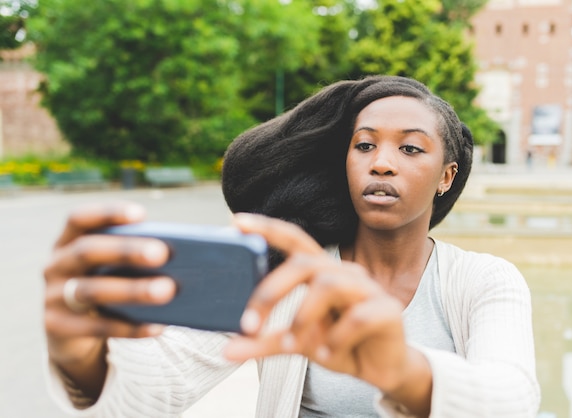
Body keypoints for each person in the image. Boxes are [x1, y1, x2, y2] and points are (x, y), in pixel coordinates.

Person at [43, 75, 540, 417]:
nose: (381, 162)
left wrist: (403, 371)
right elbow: (163, 379)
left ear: (446, 176)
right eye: (364, 145)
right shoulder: (290, 274)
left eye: (409, 148)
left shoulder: (484, 280)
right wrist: (83, 355)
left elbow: (514, 399)